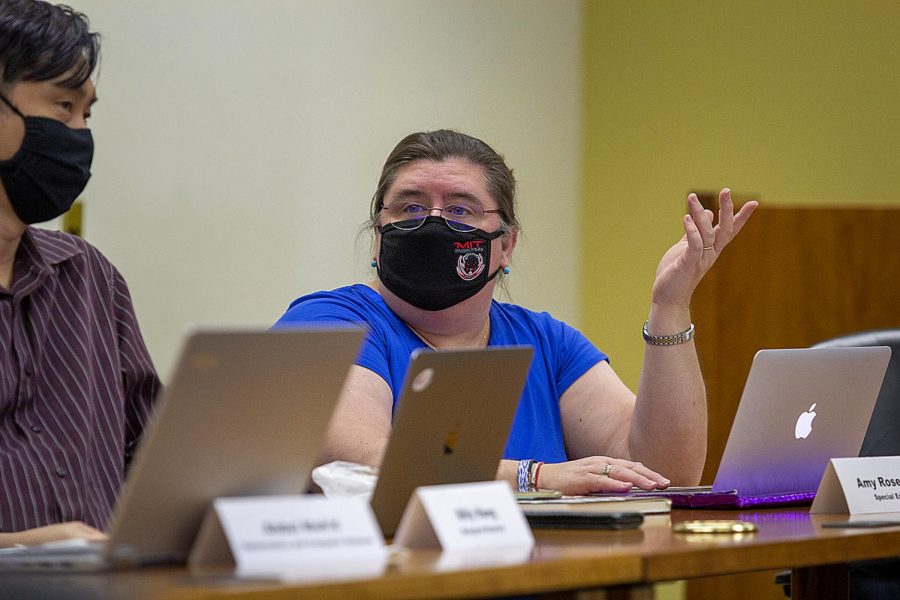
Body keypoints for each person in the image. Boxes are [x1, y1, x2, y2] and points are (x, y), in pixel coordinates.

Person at [275, 129, 757, 495]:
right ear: (378, 233)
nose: (434, 222)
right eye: (410, 207)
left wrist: (669, 305)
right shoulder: (331, 321)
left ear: (505, 244)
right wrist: (536, 476)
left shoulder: (545, 342)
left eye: (461, 209)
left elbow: (666, 472)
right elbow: (357, 464)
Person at [0, 0, 160, 546]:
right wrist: (25, 547)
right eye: (63, 105)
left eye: (86, 115)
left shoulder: (90, 278)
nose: (78, 134)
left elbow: (151, 458)